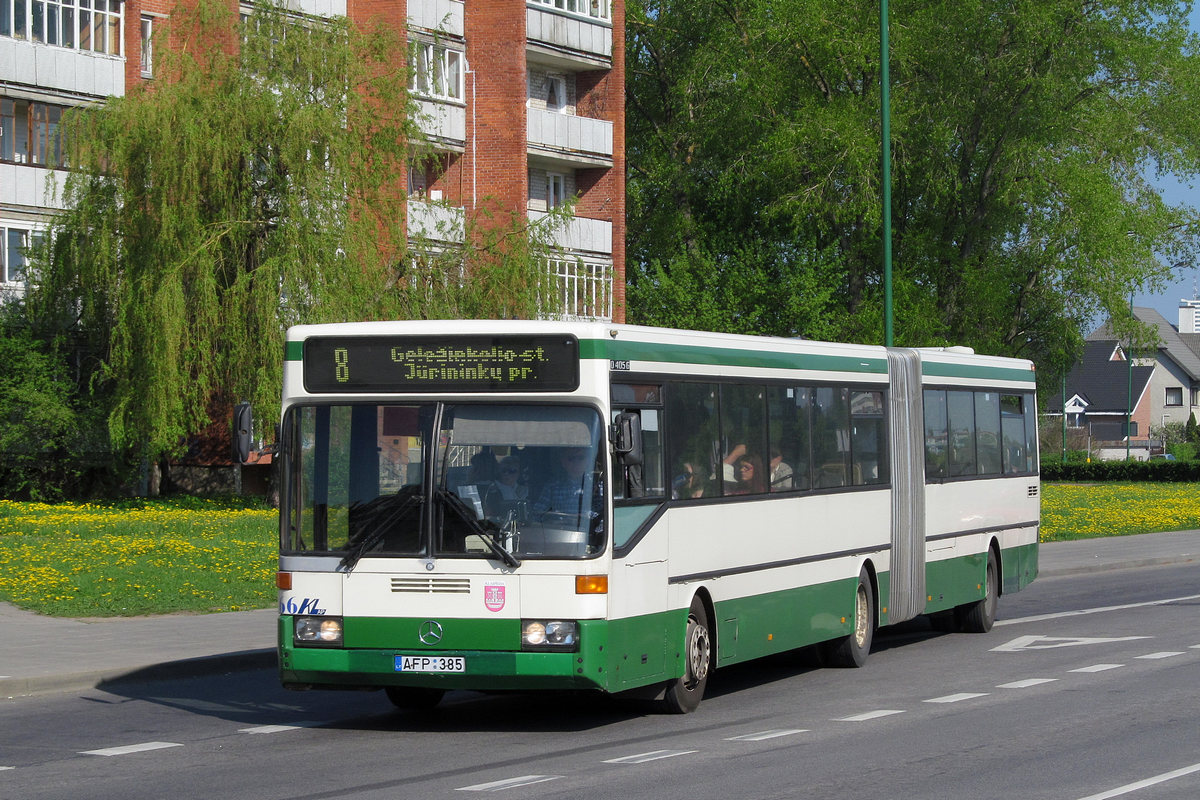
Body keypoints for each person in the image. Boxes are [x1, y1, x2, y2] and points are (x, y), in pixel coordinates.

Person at [533, 447, 600, 529]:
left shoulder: (597, 486)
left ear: (588, 461)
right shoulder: (552, 486)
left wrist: (585, 518)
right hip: (558, 533)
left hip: (589, 534)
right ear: (563, 462)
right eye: (571, 458)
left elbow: (603, 516)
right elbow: (537, 513)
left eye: (581, 458)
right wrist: (550, 521)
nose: (576, 462)